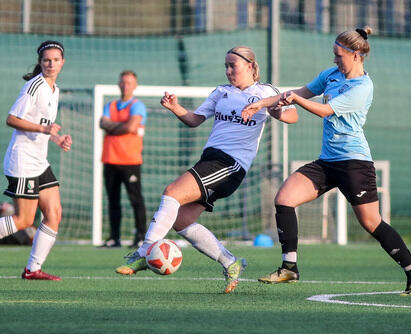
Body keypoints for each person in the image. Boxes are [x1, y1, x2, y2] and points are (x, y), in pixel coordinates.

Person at [242, 27, 411, 297]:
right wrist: (261, 103)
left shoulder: (363, 86)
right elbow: (300, 91)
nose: (335, 60)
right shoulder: (330, 75)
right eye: (333, 54)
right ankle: (289, 267)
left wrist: (295, 101)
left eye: (339, 56)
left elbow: (325, 110)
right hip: (327, 162)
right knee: (284, 198)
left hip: (354, 163)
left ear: (356, 55)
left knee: (371, 223)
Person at [115, 46, 298, 293]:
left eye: (233, 65)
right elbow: (194, 120)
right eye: (226, 66)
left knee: (172, 192)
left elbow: (293, 116)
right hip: (209, 161)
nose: (228, 70)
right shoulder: (220, 92)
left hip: (230, 164)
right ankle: (230, 262)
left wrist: (276, 112)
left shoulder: (265, 92)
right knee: (181, 220)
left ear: (251, 66)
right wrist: (175, 108)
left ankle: (145, 250)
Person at [0, 40, 72, 280]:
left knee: (54, 213)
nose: (51, 64)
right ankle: (32, 270)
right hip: (23, 162)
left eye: (55, 60)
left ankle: (32, 269)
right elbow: (12, 119)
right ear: (40, 62)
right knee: (24, 219)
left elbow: (42, 126)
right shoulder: (34, 86)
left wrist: (57, 139)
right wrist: (45, 131)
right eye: (46, 60)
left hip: (40, 162)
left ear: (63, 62)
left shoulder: (55, 89)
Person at [99, 70, 148, 248]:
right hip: (110, 159)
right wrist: (123, 127)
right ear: (118, 83)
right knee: (113, 201)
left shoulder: (137, 105)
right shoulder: (110, 105)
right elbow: (102, 123)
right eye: (123, 82)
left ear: (135, 85)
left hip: (130, 161)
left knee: (136, 200)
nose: (125, 85)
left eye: (129, 82)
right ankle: (114, 238)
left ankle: (141, 236)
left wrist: (114, 127)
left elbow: (131, 126)